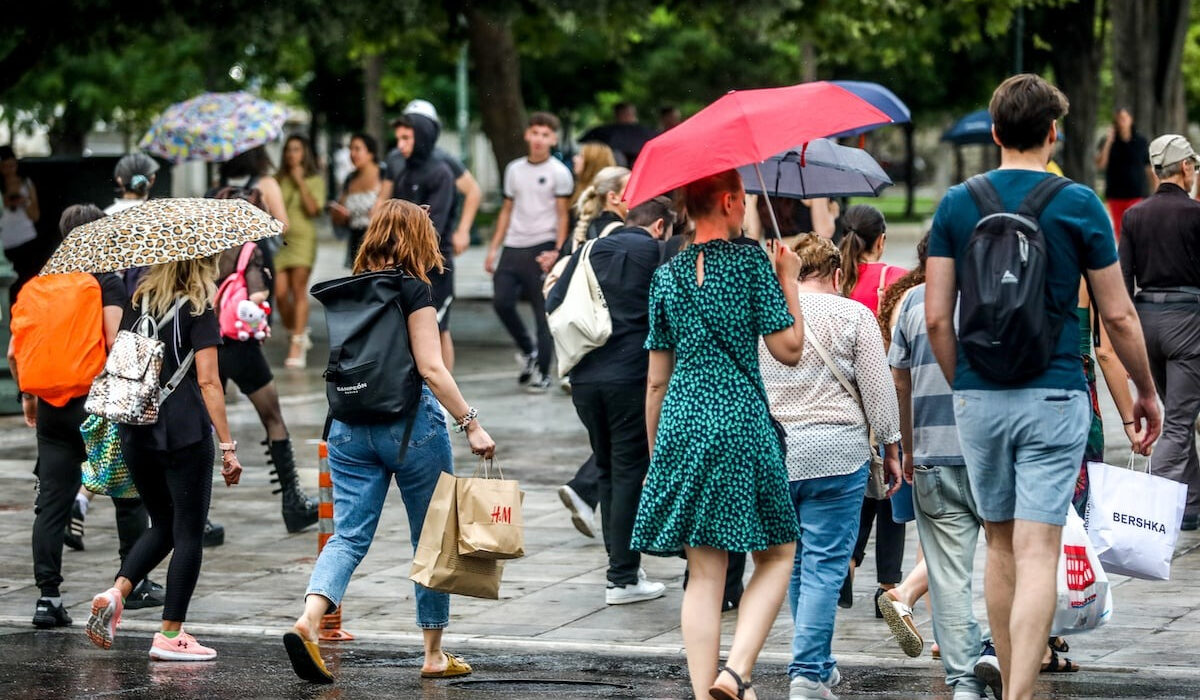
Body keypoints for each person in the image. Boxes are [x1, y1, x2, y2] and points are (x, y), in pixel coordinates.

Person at [925, 73, 1160, 700]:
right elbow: (1116, 314)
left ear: (996, 133)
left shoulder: (955, 204)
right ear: (1052, 133)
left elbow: (934, 318)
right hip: (1054, 393)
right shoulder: (1078, 204)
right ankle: (1019, 693)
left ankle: (1009, 680)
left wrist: (965, 384)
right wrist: (1145, 390)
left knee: (998, 545)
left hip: (978, 394)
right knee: (1038, 549)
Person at [282, 200, 496, 684]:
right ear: (419, 240)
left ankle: (309, 620)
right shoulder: (413, 289)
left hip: (348, 425)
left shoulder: (346, 291)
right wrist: (471, 423)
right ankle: (434, 653)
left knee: (349, 535)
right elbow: (431, 368)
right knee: (432, 538)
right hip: (410, 427)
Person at [632, 170, 806, 700]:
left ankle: (706, 691)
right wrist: (790, 278)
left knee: (705, 573)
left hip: (682, 420)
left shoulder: (668, 275)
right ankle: (735, 673)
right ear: (729, 202)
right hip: (737, 420)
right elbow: (790, 349)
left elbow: (656, 379)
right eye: (745, 199)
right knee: (778, 554)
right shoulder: (753, 262)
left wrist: (658, 450)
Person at [758, 234, 901, 700]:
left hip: (777, 453)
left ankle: (819, 665)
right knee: (824, 566)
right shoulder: (854, 315)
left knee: (796, 564)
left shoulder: (766, 319)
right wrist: (893, 449)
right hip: (837, 455)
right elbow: (880, 394)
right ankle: (807, 673)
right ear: (838, 275)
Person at [85, 254, 245, 661]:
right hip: (184, 432)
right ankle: (171, 635)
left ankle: (116, 591)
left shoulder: (138, 301)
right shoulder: (198, 308)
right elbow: (209, 381)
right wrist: (227, 446)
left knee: (164, 522)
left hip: (135, 430)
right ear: (202, 265)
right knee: (189, 531)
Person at [11, 205, 162, 629]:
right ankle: (135, 583)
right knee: (127, 494)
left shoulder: (41, 282)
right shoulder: (105, 281)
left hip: (50, 408)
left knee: (52, 504)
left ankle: (48, 598)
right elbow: (114, 340)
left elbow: (17, 347)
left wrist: (28, 397)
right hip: (95, 405)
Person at [886, 237, 1002, 700]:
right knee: (1008, 559)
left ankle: (963, 684)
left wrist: (908, 448)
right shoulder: (997, 298)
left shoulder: (913, 303)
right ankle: (999, 649)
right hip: (990, 454)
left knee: (948, 575)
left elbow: (900, 378)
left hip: (932, 454)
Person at [547, 196, 673, 605]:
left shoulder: (588, 249)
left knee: (606, 470)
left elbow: (554, 301)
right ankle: (622, 577)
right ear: (659, 227)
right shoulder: (656, 254)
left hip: (585, 378)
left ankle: (622, 571)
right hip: (632, 376)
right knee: (627, 471)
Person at [210, 189, 319, 535]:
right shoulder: (250, 250)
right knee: (272, 417)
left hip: (207, 347)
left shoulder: (207, 248)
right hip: (241, 349)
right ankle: (293, 502)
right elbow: (257, 299)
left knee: (199, 429)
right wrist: (260, 319)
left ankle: (193, 514)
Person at [1118, 133, 1200, 531]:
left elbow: (1124, 282)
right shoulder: (1196, 214)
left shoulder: (1134, 216)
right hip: (1188, 324)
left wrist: (1129, 344)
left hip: (1146, 325)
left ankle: (1192, 505)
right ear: (1185, 168)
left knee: (1180, 413)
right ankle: (1154, 517)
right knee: (1181, 422)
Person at [836, 204, 908, 614]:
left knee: (861, 493)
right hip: (885, 396)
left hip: (846, 403)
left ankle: (847, 564)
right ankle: (887, 587)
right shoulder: (892, 280)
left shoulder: (833, 282)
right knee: (891, 494)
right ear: (881, 240)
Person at [553, 166, 632, 533]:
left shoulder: (584, 234)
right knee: (625, 450)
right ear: (614, 196)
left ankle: (585, 491)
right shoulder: (622, 238)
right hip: (616, 357)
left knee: (614, 448)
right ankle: (586, 492)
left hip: (583, 358)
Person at [484, 112, 574, 393]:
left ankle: (544, 373)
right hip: (513, 245)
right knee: (501, 301)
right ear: (527, 134)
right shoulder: (514, 169)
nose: (539, 139)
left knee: (541, 312)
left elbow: (562, 215)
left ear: (553, 139)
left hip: (542, 245)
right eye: (535, 132)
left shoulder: (559, 172)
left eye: (545, 135)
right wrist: (493, 248)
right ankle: (529, 351)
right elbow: (507, 209)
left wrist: (558, 251)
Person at [382, 113, 459, 372]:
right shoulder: (404, 173)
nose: (400, 145)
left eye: (407, 138)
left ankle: (444, 394)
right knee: (410, 327)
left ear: (423, 137)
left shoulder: (441, 173)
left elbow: (432, 226)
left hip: (436, 265)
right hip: (407, 265)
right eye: (398, 139)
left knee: (439, 326)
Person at [385, 99, 484, 258]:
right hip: (399, 249)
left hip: (436, 250)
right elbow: (383, 199)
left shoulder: (444, 162)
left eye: (407, 137)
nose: (401, 145)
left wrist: (463, 232)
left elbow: (474, 191)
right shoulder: (394, 159)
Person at [274, 135, 325, 369]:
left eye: (297, 149)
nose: (292, 154)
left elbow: (314, 209)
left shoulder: (315, 179)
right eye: (288, 150)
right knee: (281, 294)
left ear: (305, 153)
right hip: (281, 242)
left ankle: (296, 344)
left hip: (303, 240)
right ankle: (298, 331)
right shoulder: (277, 179)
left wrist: (300, 182)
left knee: (298, 290)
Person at [1095, 108, 1153, 239]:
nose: (1122, 122)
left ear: (1131, 120)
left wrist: (1155, 189)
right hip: (1115, 195)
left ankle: (1136, 257)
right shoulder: (1108, 141)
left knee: (1135, 229)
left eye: (1124, 118)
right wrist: (1109, 142)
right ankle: (1124, 257)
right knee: (1120, 232)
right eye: (1119, 119)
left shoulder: (1140, 142)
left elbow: (1149, 167)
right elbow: (1100, 164)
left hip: (1136, 194)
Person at [329, 132, 383, 268]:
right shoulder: (350, 179)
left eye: (357, 149)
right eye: (350, 149)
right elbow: (341, 210)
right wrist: (338, 213)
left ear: (371, 153)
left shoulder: (384, 174)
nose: (352, 154)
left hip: (380, 239)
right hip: (356, 239)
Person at [0, 145, 42, 303]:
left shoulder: (26, 183)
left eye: (12, 165)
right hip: (6, 244)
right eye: (5, 166)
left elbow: (35, 216)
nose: (10, 170)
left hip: (26, 239)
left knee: (28, 283)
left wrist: (24, 202)